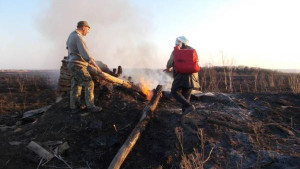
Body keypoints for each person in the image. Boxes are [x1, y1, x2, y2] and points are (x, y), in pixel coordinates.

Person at [66, 21, 103, 113]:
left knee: (76, 84)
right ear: (83, 27)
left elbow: (68, 47)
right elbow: (87, 55)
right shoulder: (79, 37)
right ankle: (90, 106)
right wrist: (98, 68)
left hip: (71, 63)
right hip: (78, 65)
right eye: (88, 29)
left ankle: (74, 107)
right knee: (89, 83)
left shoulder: (71, 35)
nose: (88, 31)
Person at [164, 36, 200, 115]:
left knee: (174, 91)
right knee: (186, 95)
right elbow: (196, 61)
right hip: (193, 77)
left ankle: (189, 106)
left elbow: (170, 62)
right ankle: (185, 114)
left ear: (179, 42)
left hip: (181, 76)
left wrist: (168, 67)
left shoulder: (177, 51)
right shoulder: (192, 50)